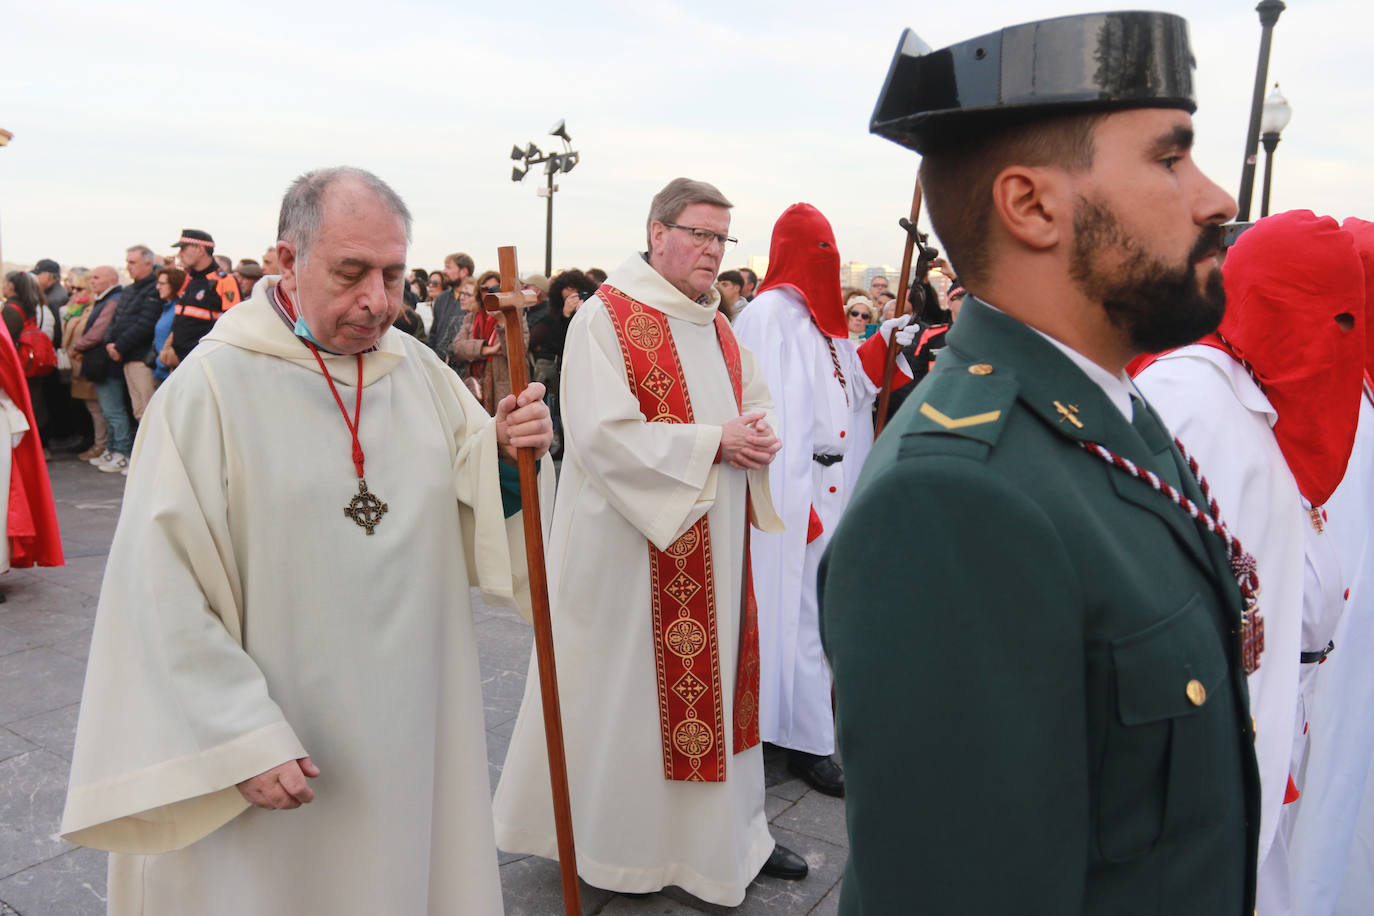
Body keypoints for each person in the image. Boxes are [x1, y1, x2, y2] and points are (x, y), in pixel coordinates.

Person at [820, 13, 1261, 914]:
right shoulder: (956, 499)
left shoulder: (1107, 416)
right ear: (1032, 207)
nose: (1217, 197)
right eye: (1171, 158)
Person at [60, 166, 553, 916]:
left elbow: (467, 502)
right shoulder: (212, 390)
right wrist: (239, 736)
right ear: (287, 261)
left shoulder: (417, 372)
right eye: (351, 273)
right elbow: (159, 589)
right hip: (280, 736)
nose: (378, 301)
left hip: (409, 722)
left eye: (392, 274)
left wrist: (506, 455)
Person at [494, 177, 814, 906]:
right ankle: (623, 850)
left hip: (714, 541)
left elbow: (754, 400)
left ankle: (727, 844)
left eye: (722, 238)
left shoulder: (717, 322)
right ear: (657, 231)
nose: (712, 250)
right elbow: (605, 438)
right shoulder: (608, 318)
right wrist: (715, 442)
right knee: (627, 704)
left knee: (717, 692)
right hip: (629, 556)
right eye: (699, 233)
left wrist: (759, 434)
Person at [1133, 210, 1366, 916]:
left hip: (1281, 704)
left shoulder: (1271, 397)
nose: (1340, 342)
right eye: (1332, 317)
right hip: (1208, 716)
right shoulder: (1190, 397)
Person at [732, 203, 914, 800]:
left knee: (818, 616)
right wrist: (791, 498)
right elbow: (765, 413)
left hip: (832, 488)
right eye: (819, 252)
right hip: (797, 491)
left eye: (831, 252)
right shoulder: (768, 316)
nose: (827, 264)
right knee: (792, 616)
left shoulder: (824, 324)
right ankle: (788, 737)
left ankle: (805, 732)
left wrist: (886, 341)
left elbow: (853, 392)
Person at [451, 270, 528, 414]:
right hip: (476, 386)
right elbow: (458, 348)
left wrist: (501, 321)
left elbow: (516, 354)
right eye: (485, 289)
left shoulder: (516, 317)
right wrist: (486, 350)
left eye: (495, 289)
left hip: (503, 388)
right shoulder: (472, 317)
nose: (490, 293)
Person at [104, 245, 163, 421]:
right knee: (138, 411)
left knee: (148, 412)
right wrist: (109, 343)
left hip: (142, 359)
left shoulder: (154, 289)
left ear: (147, 263)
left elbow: (145, 324)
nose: (128, 266)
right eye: (127, 262)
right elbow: (116, 321)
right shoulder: (129, 289)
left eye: (132, 262)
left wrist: (119, 346)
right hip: (126, 357)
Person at [168, 229, 241, 361]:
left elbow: (233, 324)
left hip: (204, 360)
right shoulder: (190, 279)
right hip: (181, 359)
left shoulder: (224, 281)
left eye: (183, 249)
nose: (179, 254)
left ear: (200, 249)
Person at [61, 274, 106, 460]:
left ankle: (100, 444)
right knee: (87, 408)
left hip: (86, 364)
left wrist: (79, 349)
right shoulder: (74, 309)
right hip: (75, 365)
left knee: (96, 408)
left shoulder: (93, 310)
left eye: (80, 289)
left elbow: (93, 335)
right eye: (74, 289)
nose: (75, 292)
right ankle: (91, 439)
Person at [429, 251, 474, 366]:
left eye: (448, 267)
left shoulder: (476, 300)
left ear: (464, 271)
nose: (444, 271)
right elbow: (434, 334)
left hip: (465, 366)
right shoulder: (442, 298)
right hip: (439, 364)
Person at [152, 266, 185, 382]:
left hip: (171, 374)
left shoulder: (179, 310)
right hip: (162, 371)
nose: (157, 287)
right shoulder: (167, 308)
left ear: (174, 285)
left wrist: (162, 361)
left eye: (162, 284)